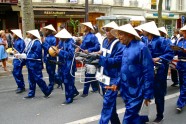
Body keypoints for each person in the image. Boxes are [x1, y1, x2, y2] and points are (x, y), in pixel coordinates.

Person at [110, 23, 154, 124]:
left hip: (138, 92)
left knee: (128, 120)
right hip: (126, 91)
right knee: (136, 119)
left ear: (129, 34)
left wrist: (147, 93)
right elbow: (123, 69)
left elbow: (148, 71)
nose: (119, 37)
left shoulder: (142, 48)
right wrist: (117, 83)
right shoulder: (125, 48)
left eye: (121, 34)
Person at [141, 21, 174, 123]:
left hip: (159, 71)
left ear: (149, 31)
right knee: (145, 93)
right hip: (146, 70)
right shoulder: (144, 40)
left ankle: (160, 115)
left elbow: (170, 53)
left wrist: (159, 58)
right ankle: (144, 116)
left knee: (159, 95)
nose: (142, 31)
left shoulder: (162, 40)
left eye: (144, 29)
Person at [95, 21, 123, 124]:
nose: (107, 32)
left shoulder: (120, 44)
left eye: (109, 30)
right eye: (106, 30)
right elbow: (101, 52)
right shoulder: (104, 41)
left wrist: (100, 58)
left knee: (107, 104)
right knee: (111, 105)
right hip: (103, 76)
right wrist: (93, 55)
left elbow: (118, 61)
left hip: (114, 78)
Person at [53, 28, 79, 104]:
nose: (59, 38)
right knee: (63, 79)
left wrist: (60, 51)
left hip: (69, 65)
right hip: (62, 64)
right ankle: (74, 92)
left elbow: (71, 55)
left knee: (68, 81)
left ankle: (69, 98)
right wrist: (56, 49)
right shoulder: (62, 41)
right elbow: (59, 49)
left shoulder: (71, 42)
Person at [24, 30, 52, 98]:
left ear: (33, 35)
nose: (29, 35)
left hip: (35, 63)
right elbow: (28, 51)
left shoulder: (37, 42)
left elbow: (37, 54)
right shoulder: (31, 42)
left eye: (30, 34)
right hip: (30, 63)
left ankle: (47, 91)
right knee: (31, 79)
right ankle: (31, 93)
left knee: (38, 78)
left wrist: (27, 56)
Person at [75, 22, 100, 97]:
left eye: (85, 26)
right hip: (85, 56)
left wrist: (89, 50)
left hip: (91, 57)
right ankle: (95, 88)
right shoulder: (85, 36)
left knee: (88, 74)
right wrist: (77, 49)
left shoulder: (93, 36)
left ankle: (85, 92)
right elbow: (82, 46)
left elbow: (98, 46)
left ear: (88, 28)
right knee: (91, 73)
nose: (83, 27)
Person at [174, 25, 186, 112]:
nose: (184, 33)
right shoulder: (179, 40)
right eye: (183, 31)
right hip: (180, 63)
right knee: (182, 83)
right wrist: (174, 48)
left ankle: (180, 103)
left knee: (185, 84)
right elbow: (174, 51)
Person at [42, 24, 57, 92]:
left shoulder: (52, 38)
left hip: (51, 57)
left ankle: (52, 84)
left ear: (48, 30)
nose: (44, 31)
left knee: (51, 72)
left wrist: (43, 43)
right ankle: (57, 81)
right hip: (48, 57)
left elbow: (50, 48)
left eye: (45, 30)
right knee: (50, 71)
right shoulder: (49, 38)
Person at [11, 29, 26, 93]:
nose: (12, 34)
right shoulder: (15, 40)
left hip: (19, 59)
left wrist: (16, 53)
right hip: (15, 58)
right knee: (16, 72)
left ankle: (21, 86)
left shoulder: (21, 41)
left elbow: (22, 51)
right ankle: (20, 85)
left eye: (13, 33)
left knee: (17, 73)